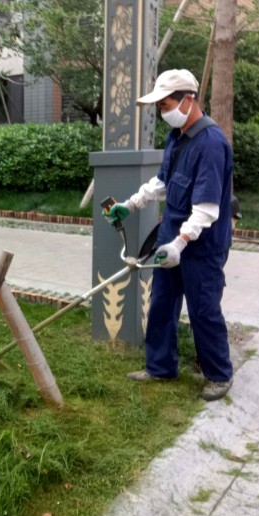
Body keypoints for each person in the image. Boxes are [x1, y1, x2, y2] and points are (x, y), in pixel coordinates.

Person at [105, 69, 234, 401]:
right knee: (162, 302)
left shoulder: (211, 143)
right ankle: (160, 367)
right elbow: (163, 182)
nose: (163, 112)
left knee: (203, 308)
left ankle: (219, 374)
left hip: (201, 244)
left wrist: (181, 242)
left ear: (188, 100)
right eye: (160, 107)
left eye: (166, 105)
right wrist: (131, 204)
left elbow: (207, 209)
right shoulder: (177, 137)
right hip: (171, 235)